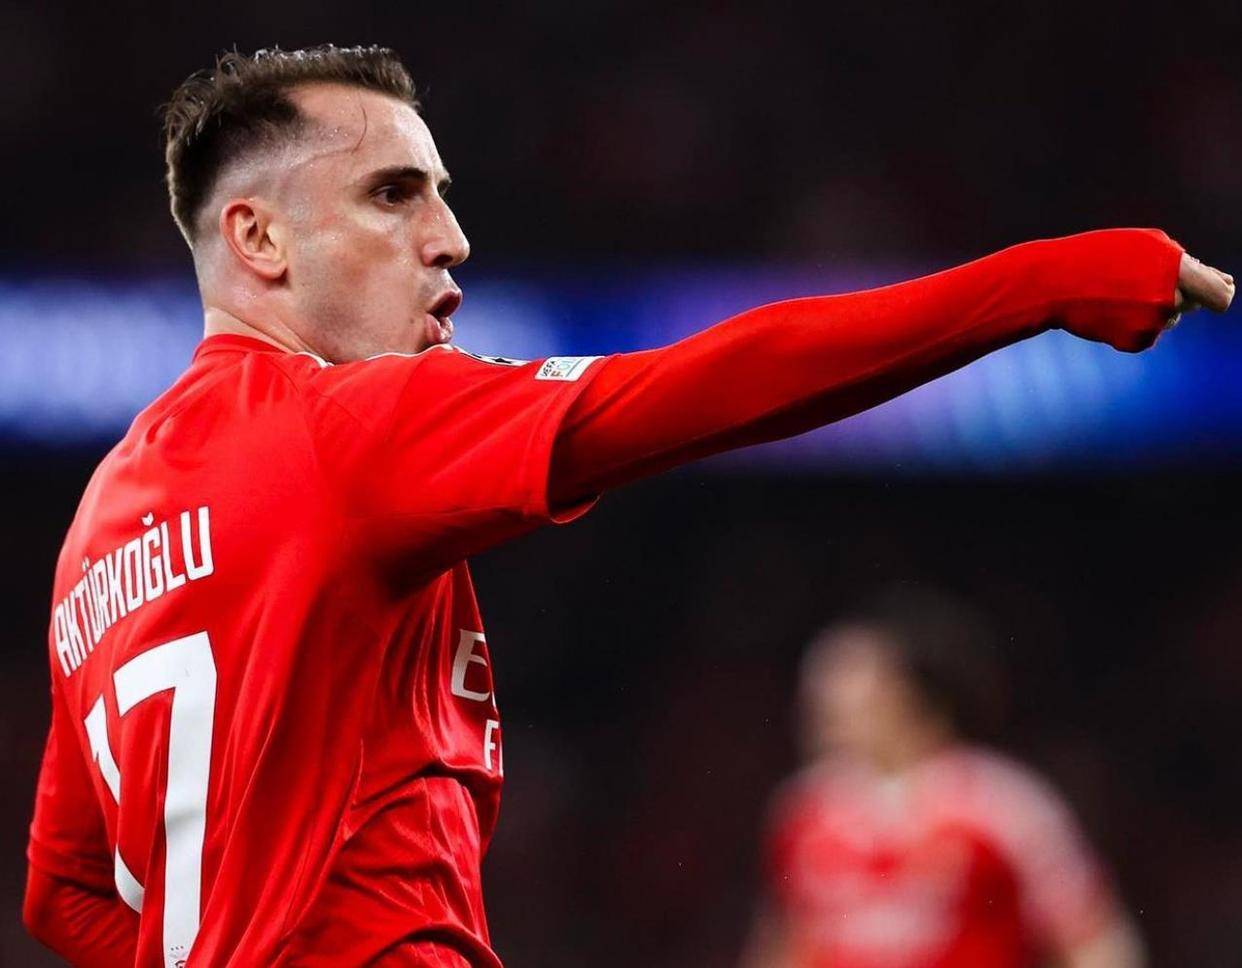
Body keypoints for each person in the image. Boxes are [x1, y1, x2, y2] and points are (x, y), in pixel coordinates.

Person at [21, 43, 1231, 968]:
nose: (451, 238)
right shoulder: (342, 426)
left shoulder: (99, 530)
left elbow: (63, 892)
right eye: (394, 194)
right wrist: (1042, 282)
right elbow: (713, 383)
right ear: (259, 239)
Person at [742, 589, 1146, 968]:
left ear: (915, 693)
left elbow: (1095, 938)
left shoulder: (1003, 803)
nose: (827, 706)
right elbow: (785, 946)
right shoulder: (806, 808)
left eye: (852, 687)